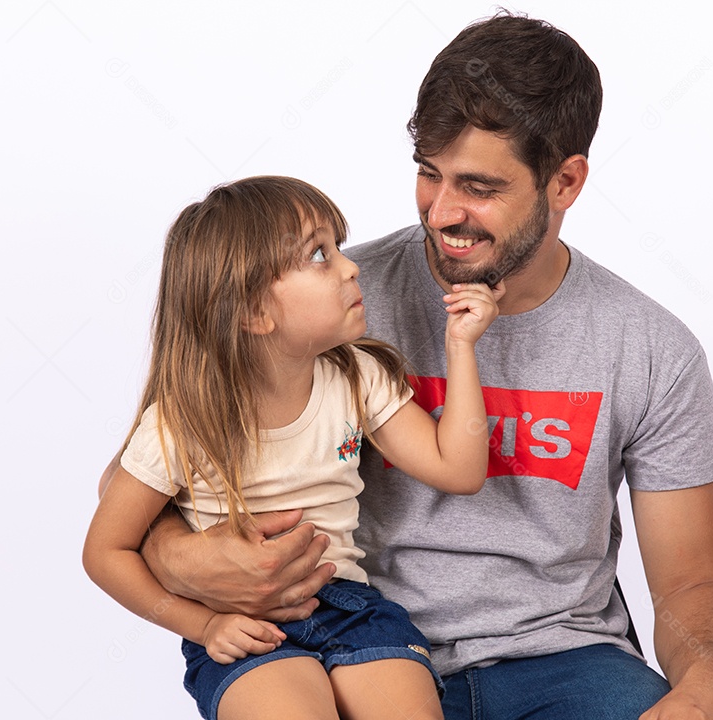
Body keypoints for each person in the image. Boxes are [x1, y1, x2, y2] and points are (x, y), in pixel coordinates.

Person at [131, 12, 713, 720]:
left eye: (480, 187)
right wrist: (180, 557)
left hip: (564, 660)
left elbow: (693, 582)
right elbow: (163, 474)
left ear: (566, 181)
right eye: (430, 174)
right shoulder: (329, 304)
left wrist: (706, 691)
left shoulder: (650, 348)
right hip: (353, 649)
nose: (443, 210)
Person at [84, 175, 503, 720]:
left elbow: (459, 468)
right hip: (245, 623)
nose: (351, 267)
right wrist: (203, 625)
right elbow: (105, 552)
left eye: (338, 247)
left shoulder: (358, 376)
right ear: (254, 313)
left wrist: (461, 347)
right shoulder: (184, 422)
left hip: (355, 609)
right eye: (319, 255)